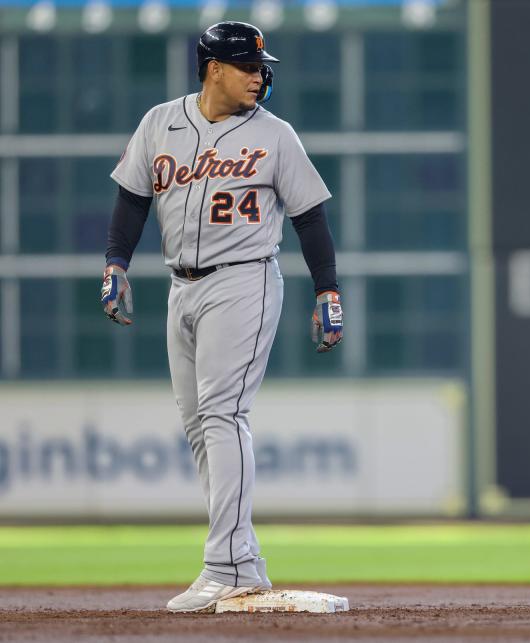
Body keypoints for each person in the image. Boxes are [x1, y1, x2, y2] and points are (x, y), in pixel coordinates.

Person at [100, 21, 343, 612]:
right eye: (249, 67)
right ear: (214, 70)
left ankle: (226, 565)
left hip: (245, 279)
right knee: (199, 424)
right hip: (179, 287)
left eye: (262, 67)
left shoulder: (275, 135)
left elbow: (310, 216)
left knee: (222, 414)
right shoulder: (161, 121)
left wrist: (327, 291)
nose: (261, 76)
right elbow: (133, 198)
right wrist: (116, 263)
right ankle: (242, 559)